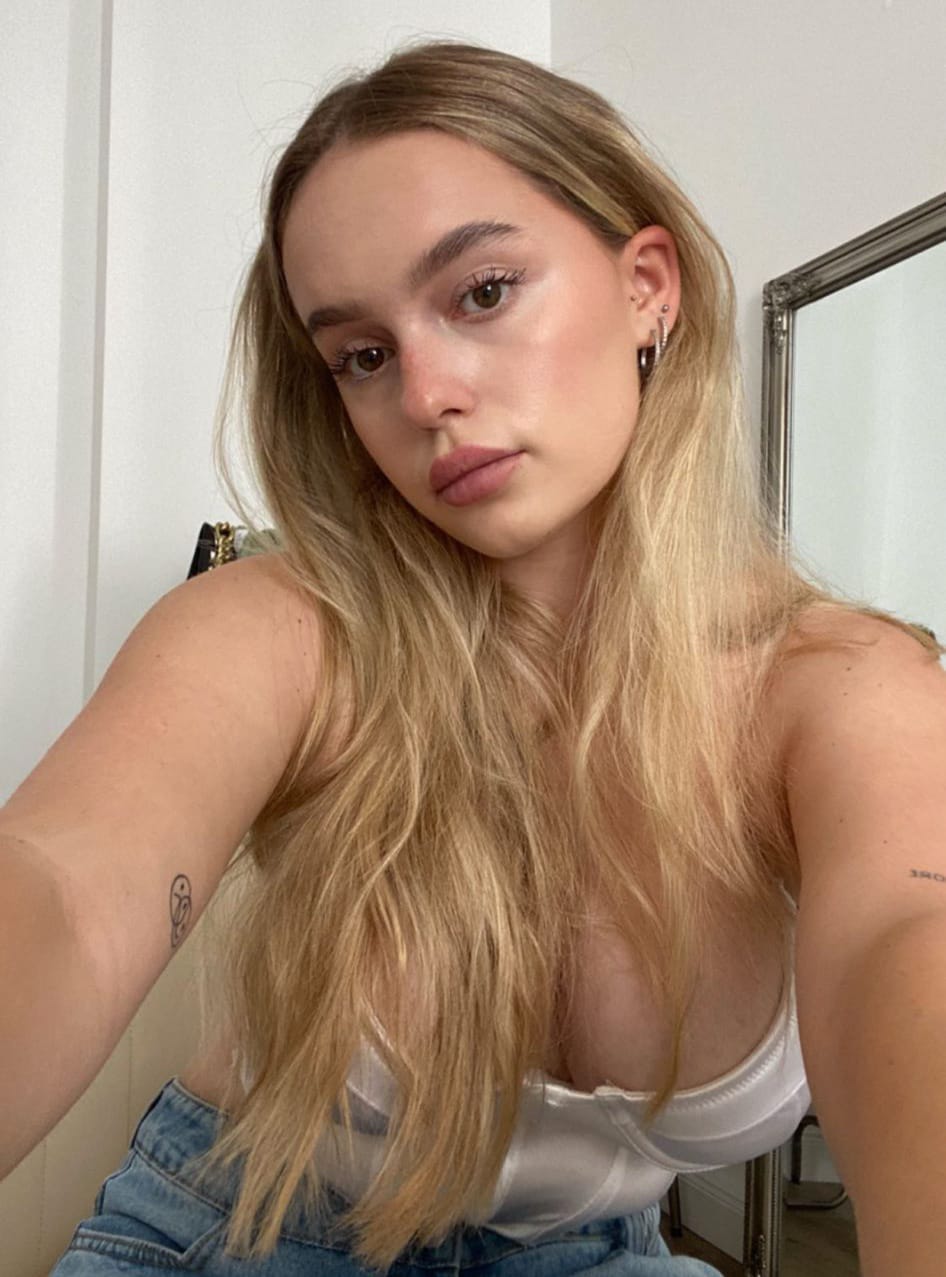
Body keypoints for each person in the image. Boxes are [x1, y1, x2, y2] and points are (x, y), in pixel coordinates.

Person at [3, 38, 945, 1277]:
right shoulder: (285, 630)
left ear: (646, 286)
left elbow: (908, 940)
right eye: (362, 354)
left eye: (482, 291)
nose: (425, 392)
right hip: (233, 1233)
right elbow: (70, 888)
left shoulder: (839, 688)